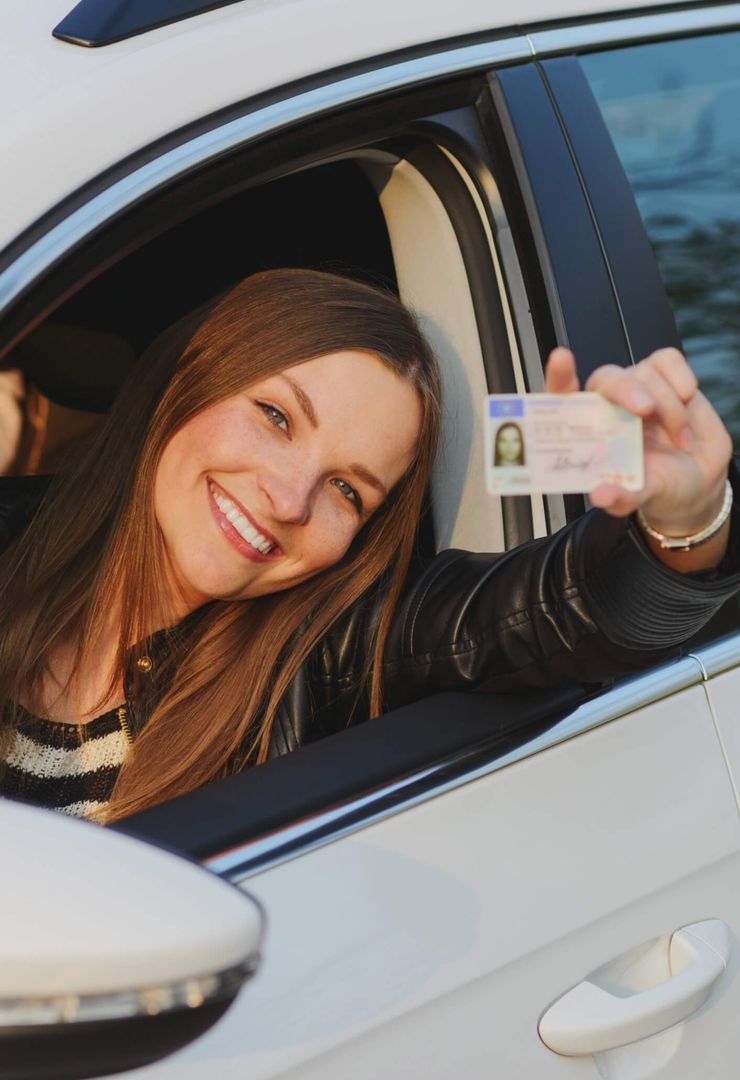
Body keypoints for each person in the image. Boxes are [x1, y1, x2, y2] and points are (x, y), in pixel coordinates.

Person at [0, 269, 737, 822]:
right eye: (276, 417)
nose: (290, 500)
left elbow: (568, 610)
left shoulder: (324, 654)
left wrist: (687, 512)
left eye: (347, 490)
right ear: (186, 381)